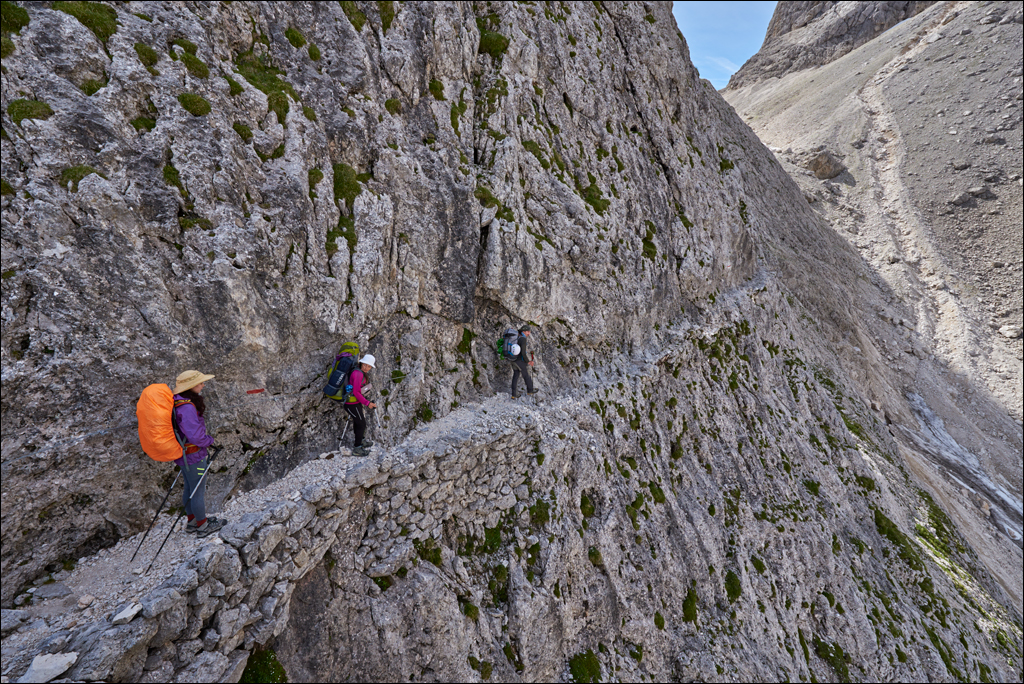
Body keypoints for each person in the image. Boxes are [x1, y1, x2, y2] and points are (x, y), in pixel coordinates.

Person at [172, 370, 225, 537]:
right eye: (200, 383)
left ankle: (192, 521)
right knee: (198, 490)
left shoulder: (177, 402)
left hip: (183, 455)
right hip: (194, 456)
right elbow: (195, 436)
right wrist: (209, 440)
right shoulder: (187, 407)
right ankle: (203, 526)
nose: (203, 385)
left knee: (189, 487)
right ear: (191, 386)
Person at [346, 355, 377, 456]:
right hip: (351, 403)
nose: (366, 368)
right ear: (361, 363)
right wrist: (367, 403)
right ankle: (357, 448)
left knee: (358, 422)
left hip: (355, 402)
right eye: (365, 365)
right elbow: (356, 392)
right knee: (361, 424)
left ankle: (361, 441)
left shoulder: (360, 372)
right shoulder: (358, 374)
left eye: (369, 366)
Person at [511, 327, 539, 399]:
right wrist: (528, 361)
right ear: (523, 331)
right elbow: (523, 352)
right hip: (519, 360)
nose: (529, 333)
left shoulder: (517, 337)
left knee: (515, 376)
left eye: (529, 331)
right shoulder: (523, 339)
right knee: (526, 375)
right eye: (527, 331)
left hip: (513, 359)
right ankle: (530, 390)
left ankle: (514, 394)